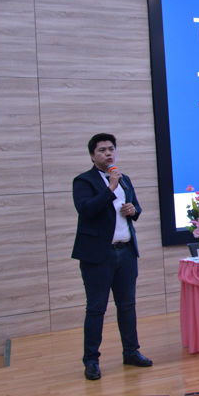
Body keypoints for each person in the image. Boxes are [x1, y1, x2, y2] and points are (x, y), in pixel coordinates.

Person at [72, 133, 152, 380]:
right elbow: (86, 210)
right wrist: (110, 188)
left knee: (127, 305)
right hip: (98, 256)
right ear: (92, 155)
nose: (108, 153)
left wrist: (132, 209)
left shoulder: (124, 179)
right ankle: (91, 360)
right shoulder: (83, 181)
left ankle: (131, 352)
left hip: (126, 252)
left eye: (111, 149)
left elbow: (136, 208)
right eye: (102, 150)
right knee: (96, 309)